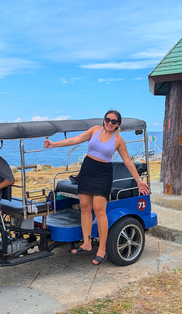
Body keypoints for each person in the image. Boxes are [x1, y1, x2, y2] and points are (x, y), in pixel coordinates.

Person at [44, 110, 150, 265]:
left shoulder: (118, 140)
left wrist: (139, 180)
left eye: (114, 121)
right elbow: (76, 139)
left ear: (117, 124)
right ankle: (86, 243)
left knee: (99, 211)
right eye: (108, 119)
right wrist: (53, 144)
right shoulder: (94, 130)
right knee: (85, 207)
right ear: (104, 120)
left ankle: (102, 248)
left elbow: (127, 160)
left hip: (103, 174)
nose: (110, 123)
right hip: (87, 170)